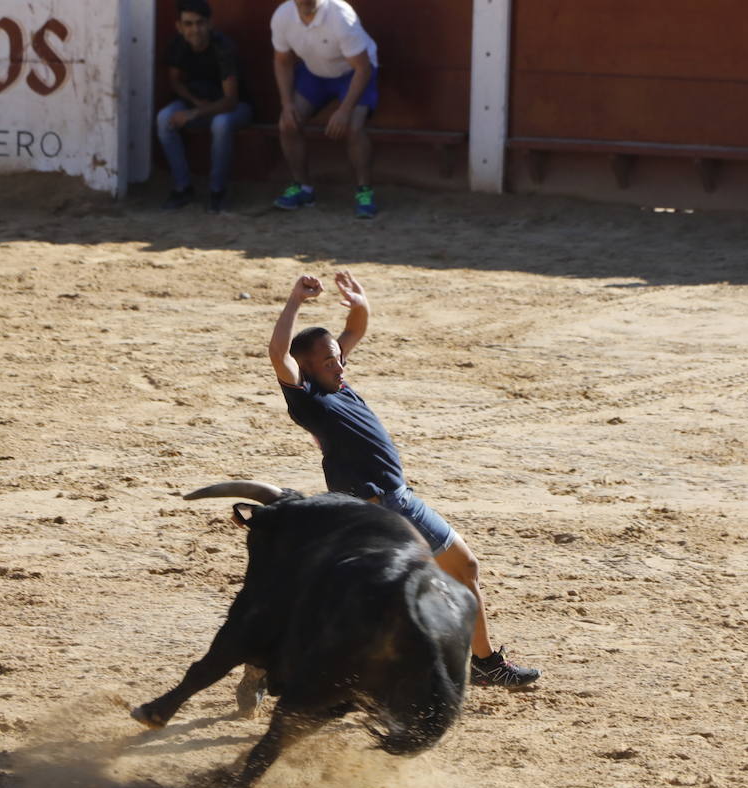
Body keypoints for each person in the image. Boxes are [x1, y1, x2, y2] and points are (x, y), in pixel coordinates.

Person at [268, 271, 541, 688]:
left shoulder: (335, 381)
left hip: (383, 503)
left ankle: (271, 662)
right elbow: (277, 352)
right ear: (305, 369)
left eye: (338, 356)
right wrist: (294, 301)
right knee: (440, 579)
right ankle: (482, 663)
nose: (339, 363)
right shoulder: (310, 399)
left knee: (390, 589)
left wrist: (359, 304)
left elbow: (354, 329)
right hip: (385, 507)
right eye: (327, 361)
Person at [269, 0, 379, 219]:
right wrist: (287, 103)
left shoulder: (341, 16)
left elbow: (363, 68)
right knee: (288, 122)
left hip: (353, 72)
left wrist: (344, 110)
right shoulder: (282, 15)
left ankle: (364, 192)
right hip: (314, 72)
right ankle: (303, 188)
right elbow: (282, 61)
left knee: (354, 127)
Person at [155, 0, 254, 214]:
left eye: (200, 23)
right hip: (198, 104)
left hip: (235, 108)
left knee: (221, 123)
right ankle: (183, 188)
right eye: (188, 24)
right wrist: (195, 102)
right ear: (179, 26)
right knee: (164, 118)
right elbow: (175, 81)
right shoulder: (178, 45)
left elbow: (231, 100)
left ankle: (218, 191)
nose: (194, 29)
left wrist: (194, 112)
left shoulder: (223, 48)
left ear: (210, 24)